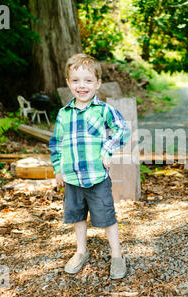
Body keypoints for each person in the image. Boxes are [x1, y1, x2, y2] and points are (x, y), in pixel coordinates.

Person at [49, 53, 130, 279]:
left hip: (97, 178)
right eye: (75, 81)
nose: (81, 86)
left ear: (97, 83)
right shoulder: (63, 114)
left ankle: (117, 255)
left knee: (106, 217)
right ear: (68, 83)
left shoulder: (103, 110)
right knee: (76, 216)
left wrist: (107, 149)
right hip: (72, 178)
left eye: (87, 80)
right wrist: (58, 168)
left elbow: (123, 129)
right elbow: (56, 143)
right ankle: (81, 251)